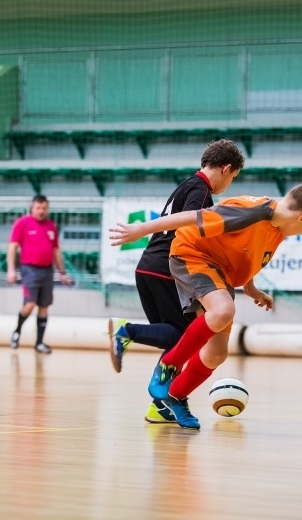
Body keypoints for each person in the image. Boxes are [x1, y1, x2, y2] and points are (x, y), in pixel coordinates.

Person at [110, 182, 302, 429]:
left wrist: (250, 287)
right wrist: (140, 229)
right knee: (223, 311)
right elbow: (191, 217)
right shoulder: (250, 211)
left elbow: (248, 255)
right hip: (193, 255)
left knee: (217, 353)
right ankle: (168, 365)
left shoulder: (277, 229)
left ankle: (173, 397)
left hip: (220, 273)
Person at [108, 139, 245, 424]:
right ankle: (126, 330)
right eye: (232, 177)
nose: (229, 184)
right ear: (226, 168)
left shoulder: (186, 185)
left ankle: (160, 407)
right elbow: (189, 220)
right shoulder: (201, 191)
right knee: (189, 337)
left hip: (148, 267)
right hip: (166, 268)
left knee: (175, 340)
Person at [6, 194, 72, 353]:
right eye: (38, 208)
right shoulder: (22, 223)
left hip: (47, 270)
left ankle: (39, 343)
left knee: (44, 306)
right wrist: (11, 269)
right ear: (32, 208)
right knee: (29, 304)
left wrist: (62, 272)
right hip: (30, 269)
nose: (41, 211)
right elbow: (12, 247)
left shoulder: (51, 225)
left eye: (44, 208)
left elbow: (56, 250)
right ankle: (17, 331)